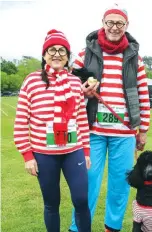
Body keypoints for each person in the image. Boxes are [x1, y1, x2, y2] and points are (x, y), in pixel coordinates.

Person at [69, 4, 150, 232]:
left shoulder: (136, 58)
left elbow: (143, 94)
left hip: (124, 134)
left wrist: (142, 129)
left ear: (127, 25)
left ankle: (112, 227)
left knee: (120, 185)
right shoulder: (85, 54)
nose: (114, 27)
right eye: (110, 22)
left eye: (119, 23)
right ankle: (79, 227)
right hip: (91, 131)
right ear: (102, 23)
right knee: (87, 182)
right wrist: (81, 90)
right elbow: (68, 87)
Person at [13, 29, 91, 232]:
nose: (57, 54)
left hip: (73, 151)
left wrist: (87, 151)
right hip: (44, 154)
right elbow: (21, 121)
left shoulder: (75, 82)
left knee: (82, 200)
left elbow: (81, 119)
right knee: (51, 203)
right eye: (52, 50)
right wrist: (27, 156)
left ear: (68, 56)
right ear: (44, 54)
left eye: (62, 51)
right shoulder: (31, 81)